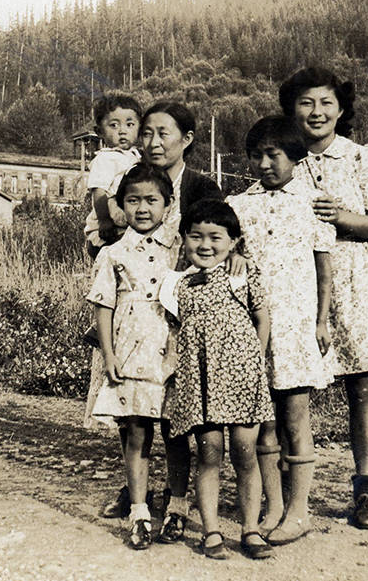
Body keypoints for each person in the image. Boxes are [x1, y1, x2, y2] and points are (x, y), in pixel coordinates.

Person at [278, 66, 368, 530]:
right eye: (307, 103)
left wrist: (342, 216)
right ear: (292, 109)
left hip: (358, 278)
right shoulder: (282, 156)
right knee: (293, 387)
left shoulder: (362, 157)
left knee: (363, 387)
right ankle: (290, 495)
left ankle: (365, 490)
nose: (316, 112)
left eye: (326, 103)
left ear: (341, 109)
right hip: (299, 280)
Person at [92, 100, 224, 543]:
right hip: (128, 331)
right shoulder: (123, 187)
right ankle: (138, 498)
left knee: (175, 425)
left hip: (172, 331)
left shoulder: (201, 188)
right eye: (144, 132)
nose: (150, 142)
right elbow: (102, 239)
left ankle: (177, 501)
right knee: (133, 420)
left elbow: (221, 239)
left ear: (186, 139)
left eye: (161, 133)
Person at [226, 116, 334, 544]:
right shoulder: (240, 204)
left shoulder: (312, 202)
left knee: (295, 417)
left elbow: (324, 269)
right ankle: (272, 506)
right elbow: (226, 254)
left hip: (296, 326)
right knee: (263, 421)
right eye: (257, 156)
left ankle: (299, 510)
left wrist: (322, 320)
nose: (266, 164)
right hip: (254, 327)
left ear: (295, 156)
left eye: (275, 155)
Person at [160, 199, 275, 560]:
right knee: (209, 454)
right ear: (183, 239)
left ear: (234, 241)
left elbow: (262, 318)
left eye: (216, 237)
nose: (205, 245)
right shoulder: (177, 284)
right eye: (196, 237)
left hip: (242, 379)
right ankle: (210, 531)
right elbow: (173, 333)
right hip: (200, 383)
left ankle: (251, 529)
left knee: (245, 454)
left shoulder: (243, 273)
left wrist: (256, 360)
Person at [86, 164, 179, 549]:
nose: (142, 208)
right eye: (133, 200)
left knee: (176, 432)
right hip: (130, 352)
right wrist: (108, 355)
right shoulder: (112, 253)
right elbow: (103, 306)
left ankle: (178, 506)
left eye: (151, 200)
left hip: (172, 352)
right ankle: (139, 512)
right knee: (137, 432)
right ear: (121, 206)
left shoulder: (181, 247)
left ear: (168, 204)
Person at [84, 94, 143, 259]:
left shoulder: (136, 157)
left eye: (130, 124)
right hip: (108, 230)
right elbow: (99, 192)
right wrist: (104, 221)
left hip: (126, 225)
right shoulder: (105, 158)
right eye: (114, 125)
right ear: (100, 131)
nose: (123, 131)